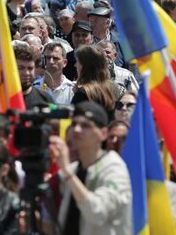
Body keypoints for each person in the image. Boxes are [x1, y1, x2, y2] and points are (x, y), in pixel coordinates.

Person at [46, 101, 132, 234]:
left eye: (85, 126)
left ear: (103, 134)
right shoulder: (74, 169)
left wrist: (67, 172)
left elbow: (98, 213)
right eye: (74, 124)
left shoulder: (114, 168)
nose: (76, 130)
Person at [72, 45, 118, 120]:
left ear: (84, 66)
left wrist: (77, 94)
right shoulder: (114, 88)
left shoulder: (83, 93)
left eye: (77, 62)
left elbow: (75, 120)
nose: (75, 65)